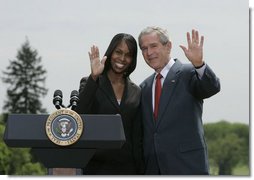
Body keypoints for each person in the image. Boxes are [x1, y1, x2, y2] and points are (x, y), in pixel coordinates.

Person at [138, 26, 220, 175]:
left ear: (168, 46)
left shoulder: (188, 73)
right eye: (144, 48)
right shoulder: (144, 87)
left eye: (153, 46)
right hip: (153, 170)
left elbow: (211, 88)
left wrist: (199, 64)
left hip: (187, 168)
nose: (149, 53)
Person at [75, 33, 143, 175]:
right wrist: (94, 77)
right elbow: (79, 115)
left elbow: (137, 138)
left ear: (133, 59)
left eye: (128, 55)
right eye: (118, 52)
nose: (122, 58)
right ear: (111, 52)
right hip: (95, 167)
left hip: (128, 169)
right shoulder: (91, 83)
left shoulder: (137, 92)